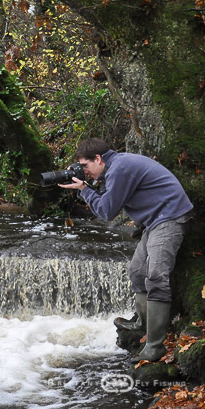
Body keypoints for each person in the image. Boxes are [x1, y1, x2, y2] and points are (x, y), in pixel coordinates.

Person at [59, 138, 193, 363]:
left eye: (85, 166)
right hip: (155, 219)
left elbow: (107, 211)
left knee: (156, 277)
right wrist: (89, 186)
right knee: (137, 272)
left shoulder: (119, 169)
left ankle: (155, 345)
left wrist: (83, 189)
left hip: (170, 217)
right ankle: (142, 323)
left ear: (98, 159)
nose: (84, 171)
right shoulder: (116, 166)